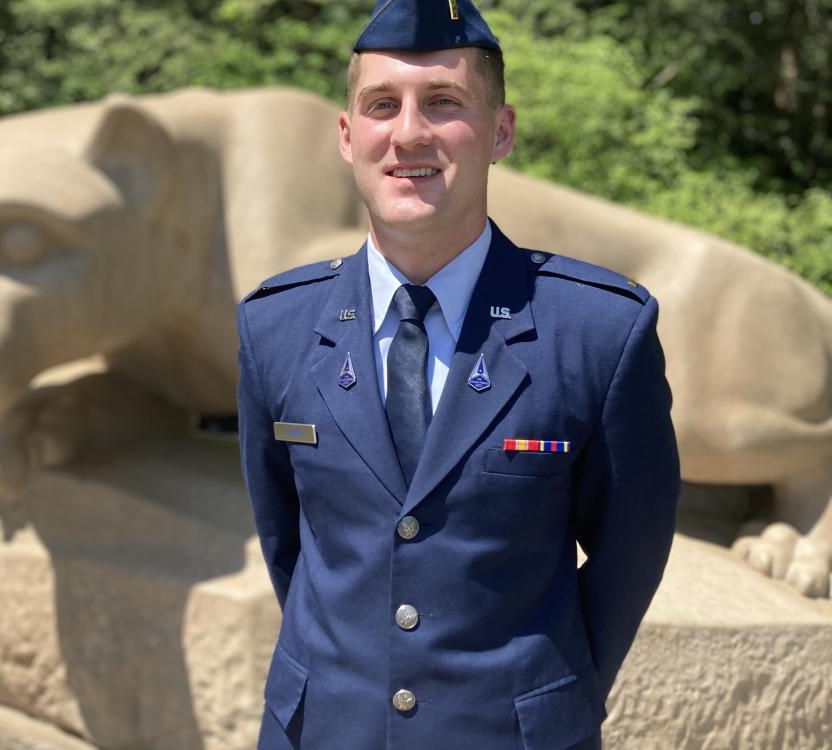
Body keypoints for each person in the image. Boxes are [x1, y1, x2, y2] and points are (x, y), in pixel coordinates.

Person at [236, 1, 681, 748]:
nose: (408, 132)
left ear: (500, 130)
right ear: (348, 136)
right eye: (383, 105)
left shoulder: (598, 331)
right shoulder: (274, 327)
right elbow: (291, 547)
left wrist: (550, 700)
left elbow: (630, 554)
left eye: (443, 103)